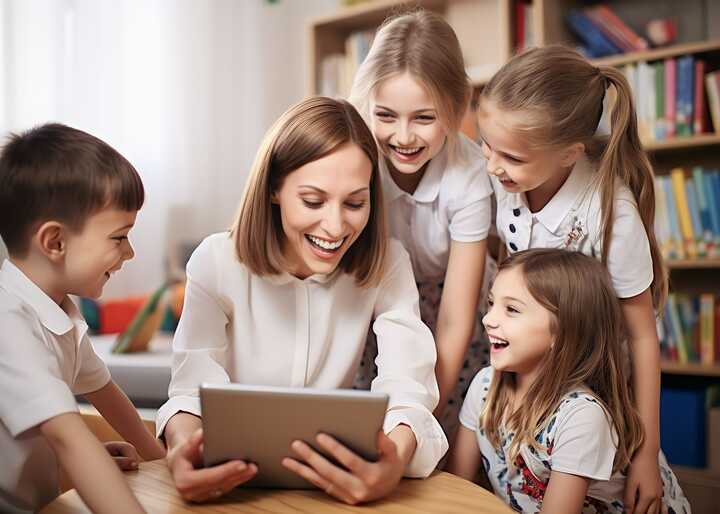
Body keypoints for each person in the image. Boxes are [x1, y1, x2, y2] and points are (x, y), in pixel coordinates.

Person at [157, 97, 447, 505]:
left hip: (332, 494)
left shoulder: (387, 262)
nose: (334, 226)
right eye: (313, 201)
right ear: (274, 188)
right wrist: (181, 451)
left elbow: (409, 389)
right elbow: (190, 392)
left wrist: (394, 461)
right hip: (235, 494)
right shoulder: (216, 261)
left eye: (354, 203)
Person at [477, 45, 670, 514]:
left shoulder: (612, 217)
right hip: (540, 394)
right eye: (487, 146)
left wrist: (644, 456)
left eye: (511, 157)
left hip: (600, 402)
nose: (492, 166)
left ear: (569, 154)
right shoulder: (512, 186)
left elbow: (642, 339)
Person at [0, 123, 165, 513]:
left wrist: (162, 463)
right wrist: (82, 455)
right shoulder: (9, 320)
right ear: (55, 242)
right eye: (119, 237)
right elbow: (68, 438)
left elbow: (106, 393)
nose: (130, 253)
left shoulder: (57, 313)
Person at [447, 249, 689, 513]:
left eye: (511, 309)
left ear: (562, 331)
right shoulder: (484, 385)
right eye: (492, 304)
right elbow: (455, 490)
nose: (488, 319)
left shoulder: (582, 417)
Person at [349, 10, 494, 439]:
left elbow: (455, 319)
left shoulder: (468, 174)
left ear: (455, 105)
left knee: (440, 438)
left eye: (424, 118)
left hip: (453, 312)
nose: (404, 137)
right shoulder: (358, 156)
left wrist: (422, 417)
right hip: (380, 303)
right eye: (387, 116)